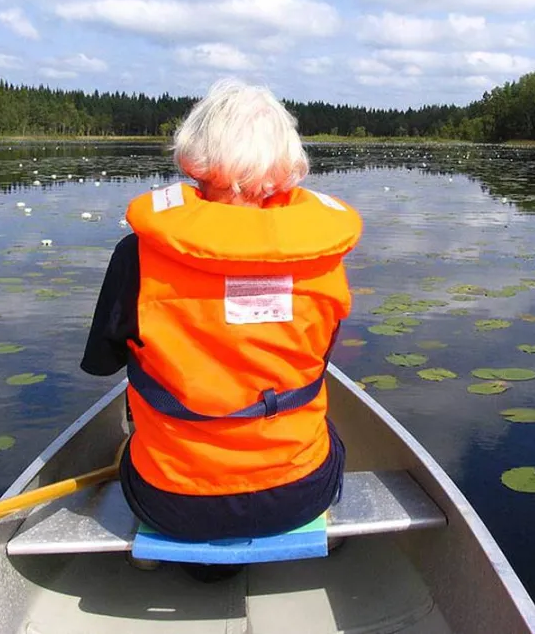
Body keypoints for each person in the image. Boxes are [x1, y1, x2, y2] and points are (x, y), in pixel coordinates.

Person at [80, 78, 363, 545]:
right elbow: (322, 352)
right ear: (286, 161)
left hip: (173, 500)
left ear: (196, 157)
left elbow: (103, 363)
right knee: (328, 430)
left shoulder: (137, 256)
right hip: (298, 492)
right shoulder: (322, 258)